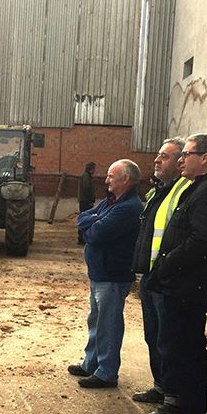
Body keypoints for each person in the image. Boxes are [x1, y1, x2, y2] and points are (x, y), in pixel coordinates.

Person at [148, 134, 207, 414]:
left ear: (204, 157)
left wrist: (167, 263)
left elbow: (201, 242)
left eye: (186, 154)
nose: (181, 159)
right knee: (181, 355)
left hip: (188, 289)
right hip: (180, 287)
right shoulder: (199, 189)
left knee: (189, 358)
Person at [68, 160, 143, 388]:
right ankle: (91, 363)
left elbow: (96, 234)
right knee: (96, 320)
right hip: (100, 273)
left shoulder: (128, 208)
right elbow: (82, 218)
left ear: (125, 179)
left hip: (112, 275)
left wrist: (92, 225)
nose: (107, 180)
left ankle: (107, 372)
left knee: (108, 324)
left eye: (111, 176)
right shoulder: (111, 202)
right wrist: (92, 222)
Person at [131, 137, 190, 414]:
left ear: (180, 163)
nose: (156, 160)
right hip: (150, 276)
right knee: (152, 337)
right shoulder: (158, 191)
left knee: (168, 340)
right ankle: (160, 387)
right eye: (158, 155)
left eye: (164, 157)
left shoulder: (184, 191)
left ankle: (173, 399)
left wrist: (162, 270)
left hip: (165, 279)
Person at [77, 162, 97, 244]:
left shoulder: (87, 176)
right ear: (91, 169)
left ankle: (82, 238)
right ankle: (82, 238)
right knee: (86, 219)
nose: (95, 171)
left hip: (84, 201)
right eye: (94, 169)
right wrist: (90, 199)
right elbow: (86, 189)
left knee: (85, 218)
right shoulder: (86, 177)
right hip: (86, 201)